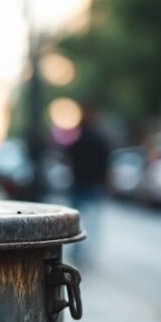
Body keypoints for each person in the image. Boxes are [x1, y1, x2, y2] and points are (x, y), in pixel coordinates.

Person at [67, 105, 111, 268]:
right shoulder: (100, 139)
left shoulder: (78, 139)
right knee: (91, 221)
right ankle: (86, 251)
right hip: (92, 185)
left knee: (78, 221)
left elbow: (70, 158)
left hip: (79, 183)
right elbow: (105, 162)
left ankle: (78, 250)